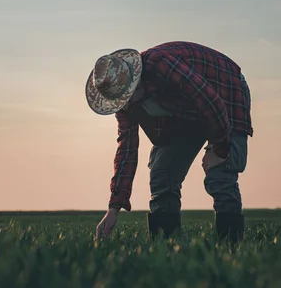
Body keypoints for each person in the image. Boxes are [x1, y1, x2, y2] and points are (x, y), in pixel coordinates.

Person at [85, 41, 253, 243]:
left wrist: (220, 148)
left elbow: (210, 101)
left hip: (225, 87)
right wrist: (114, 208)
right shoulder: (125, 106)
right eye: (121, 101)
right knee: (161, 173)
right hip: (186, 112)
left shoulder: (159, 64)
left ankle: (231, 246)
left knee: (220, 173)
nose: (126, 104)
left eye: (127, 96)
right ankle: (166, 246)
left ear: (135, 81)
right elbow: (126, 152)